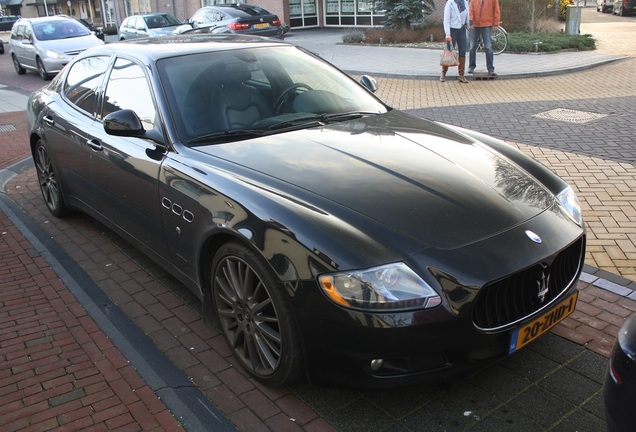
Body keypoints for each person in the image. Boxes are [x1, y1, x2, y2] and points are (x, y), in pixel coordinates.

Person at [468, 0, 501, 77]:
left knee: (488, 47)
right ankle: (471, 66)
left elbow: (496, 9)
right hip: (475, 25)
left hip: (487, 24)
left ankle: (490, 68)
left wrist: (496, 23)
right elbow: (471, 8)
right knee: (472, 47)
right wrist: (471, 21)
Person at [441, 0, 470, 83]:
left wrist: (468, 26)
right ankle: (443, 73)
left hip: (462, 30)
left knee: (462, 52)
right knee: (448, 51)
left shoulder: (464, 2)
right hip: (452, 30)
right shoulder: (450, 3)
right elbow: (446, 19)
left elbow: (467, 16)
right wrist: (447, 34)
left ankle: (461, 75)